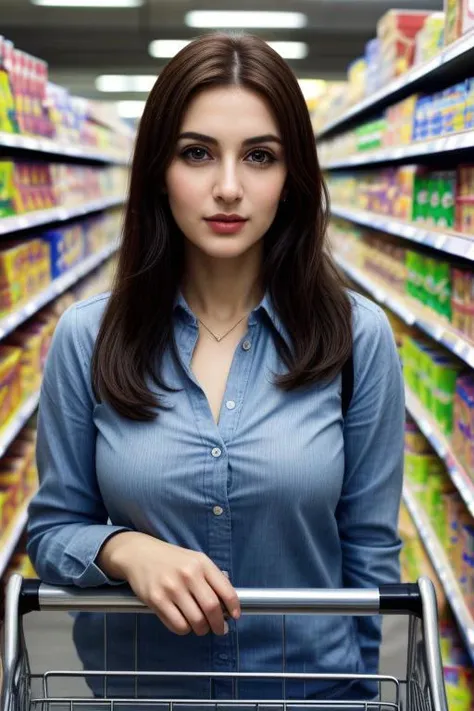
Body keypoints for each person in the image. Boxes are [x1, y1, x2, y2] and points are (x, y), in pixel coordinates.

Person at [27, 32, 405, 705]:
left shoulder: (358, 339)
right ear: (157, 170)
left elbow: (370, 556)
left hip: (313, 694)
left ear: (293, 179)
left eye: (260, 156)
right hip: (144, 692)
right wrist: (124, 550)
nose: (228, 187)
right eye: (197, 153)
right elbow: (53, 532)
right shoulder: (88, 337)